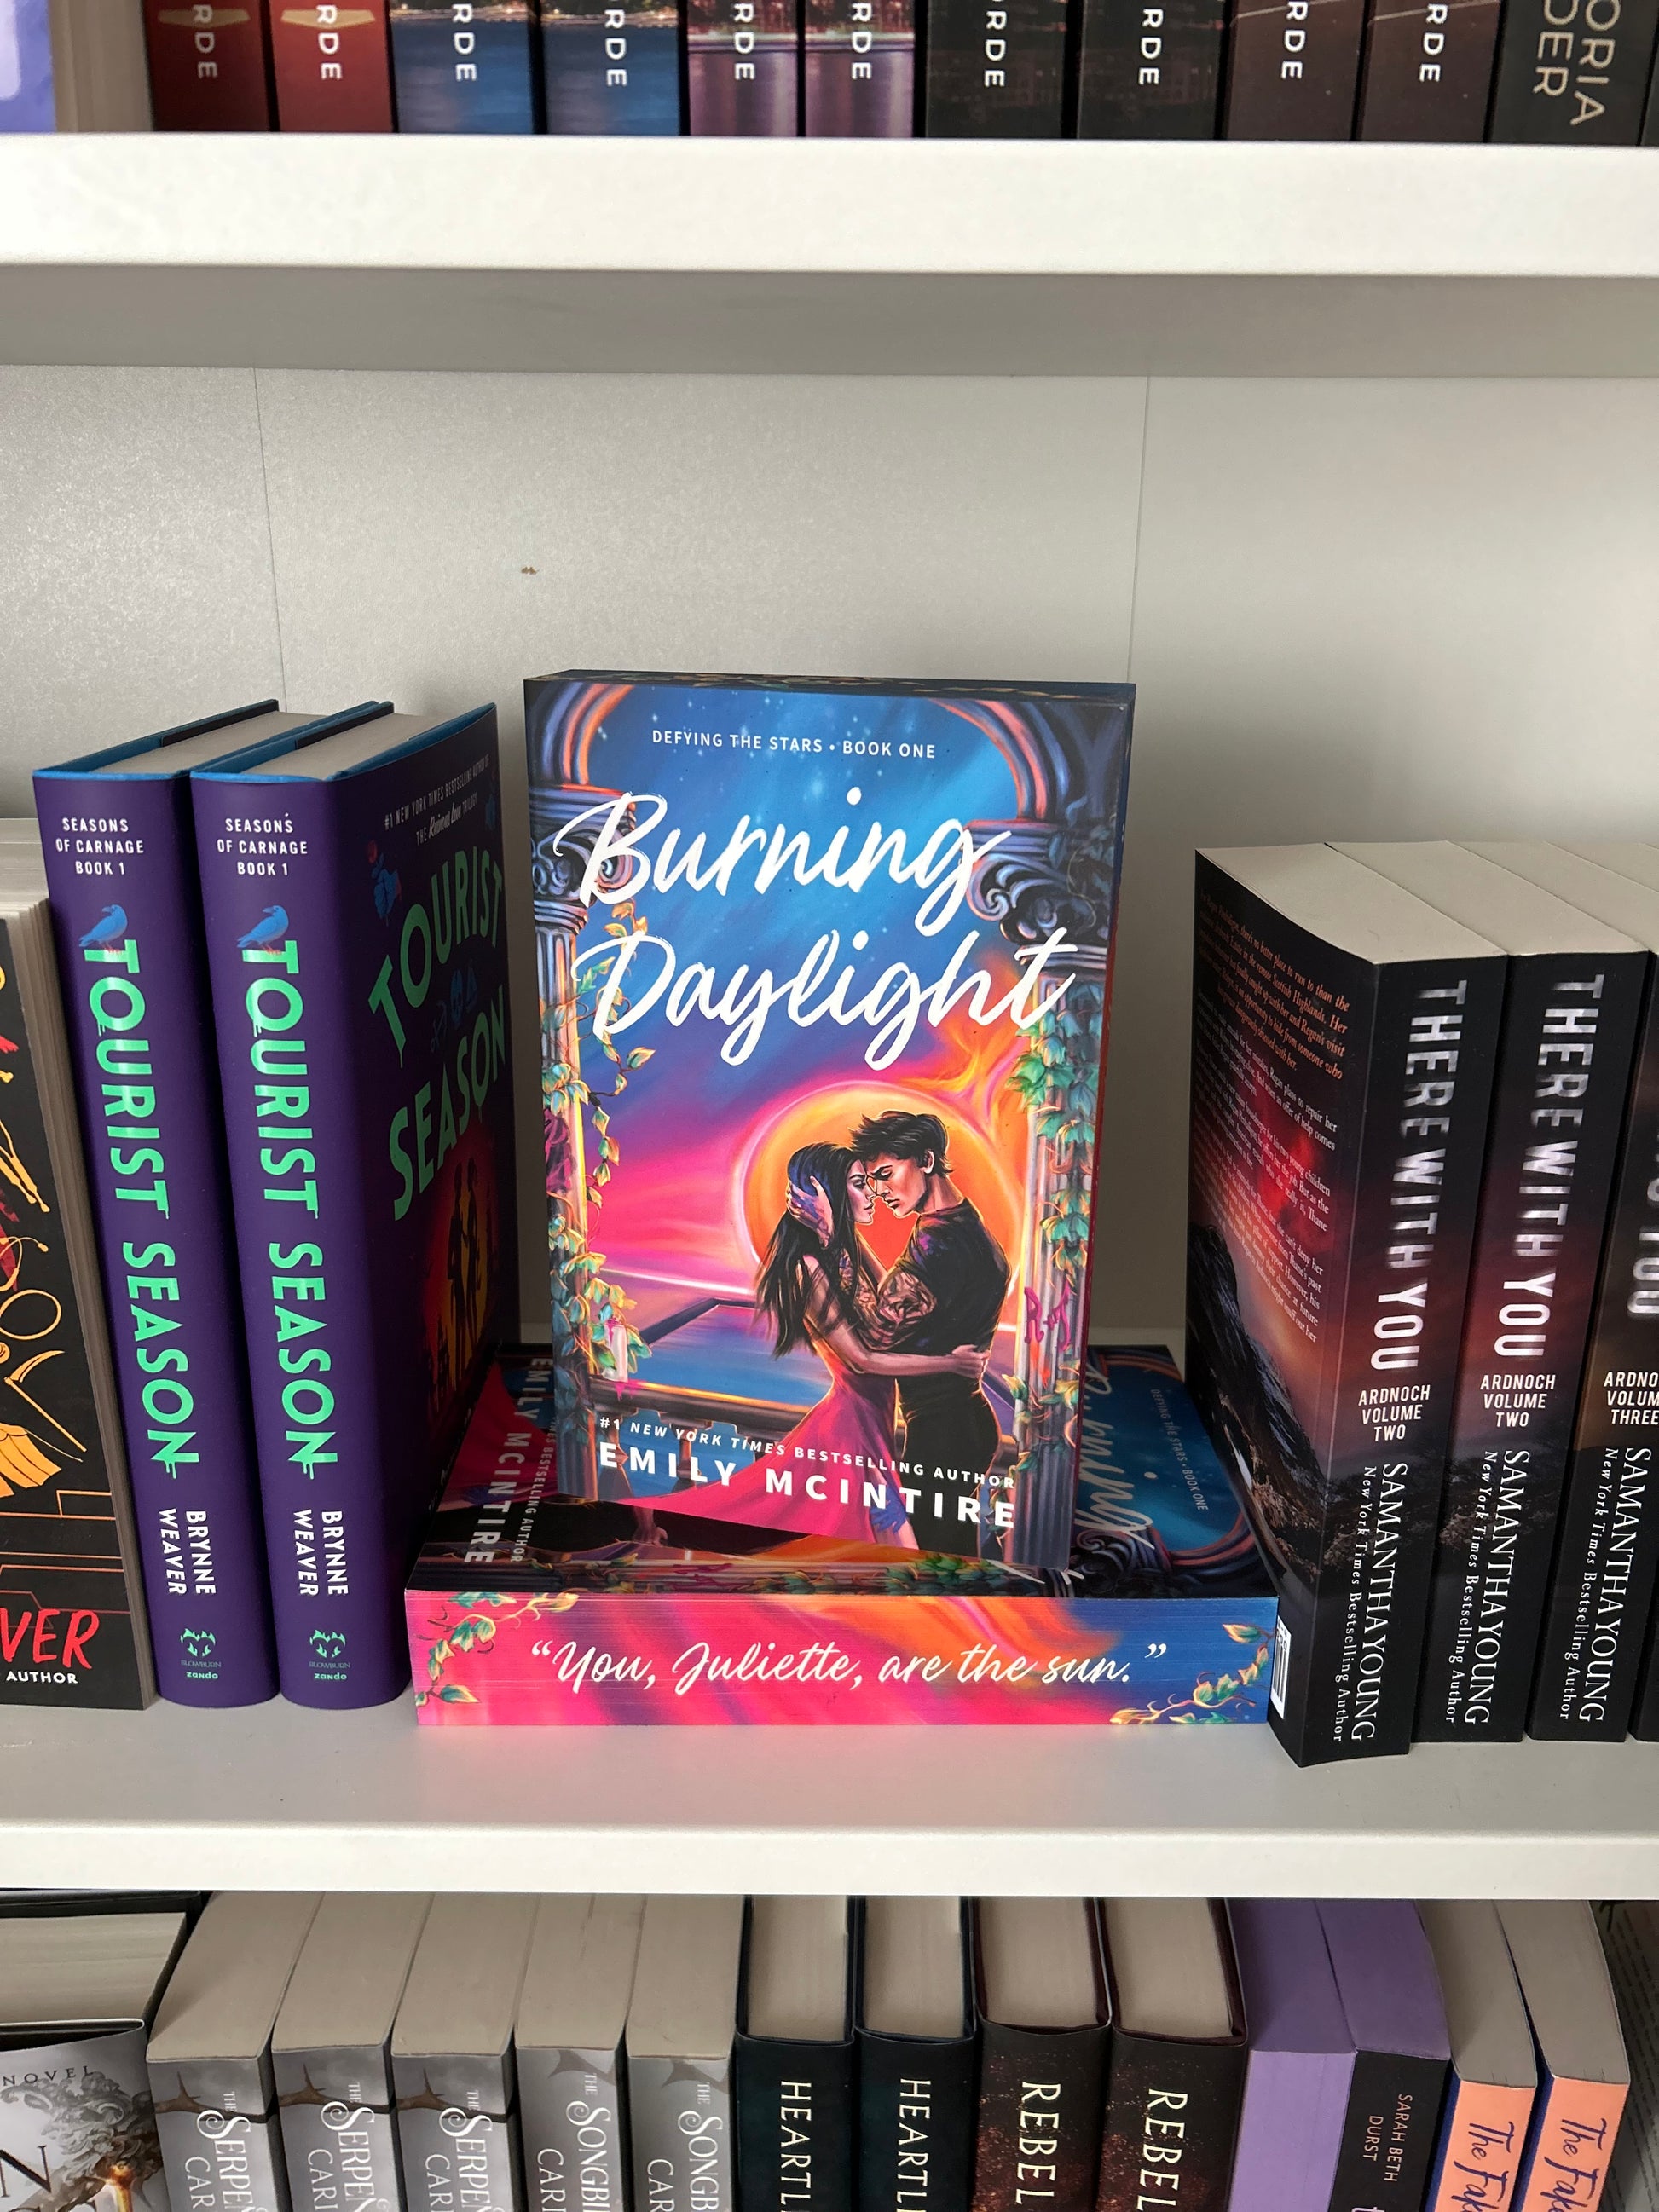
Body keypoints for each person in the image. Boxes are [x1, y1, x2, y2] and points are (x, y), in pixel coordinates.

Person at [666, 1141, 986, 1545]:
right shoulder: (808, 1269)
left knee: (887, 1551)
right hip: (850, 1432)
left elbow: (887, 1301)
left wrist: (839, 1232)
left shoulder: (841, 1253)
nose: (872, 1193)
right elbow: (862, 1359)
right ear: (830, 1192)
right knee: (900, 1551)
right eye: (859, 1184)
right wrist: (951, 1364)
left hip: (872, 1428)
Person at [847, 1110, 1010, 1492]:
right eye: (871, 1181)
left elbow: (874, 1336)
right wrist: (851, 1239)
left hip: (943, 1432)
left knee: (922, 1531)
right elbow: (899, 1297)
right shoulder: (960, 1222)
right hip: (960, 1422)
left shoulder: (938, 1243)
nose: (878, 1191)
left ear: (926, 1159)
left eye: (886, 1174)